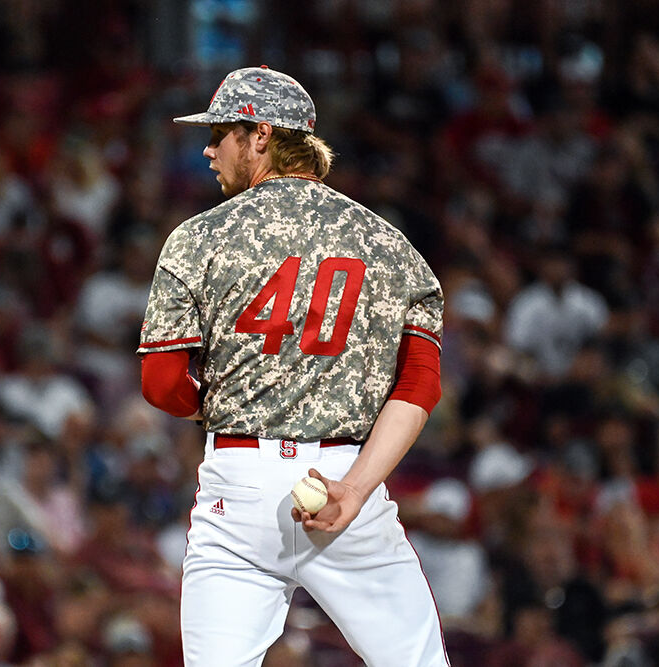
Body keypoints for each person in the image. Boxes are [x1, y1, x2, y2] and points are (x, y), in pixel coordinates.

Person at [138, 66, 447, 666]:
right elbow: (418, 386)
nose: (207, 147)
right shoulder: (389, 244)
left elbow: (161, 384)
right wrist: (356, 489)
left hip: (238, 484)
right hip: (344, 479)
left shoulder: (198, 238)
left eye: (221, 132)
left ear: (260, 136)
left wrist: (228, 399)